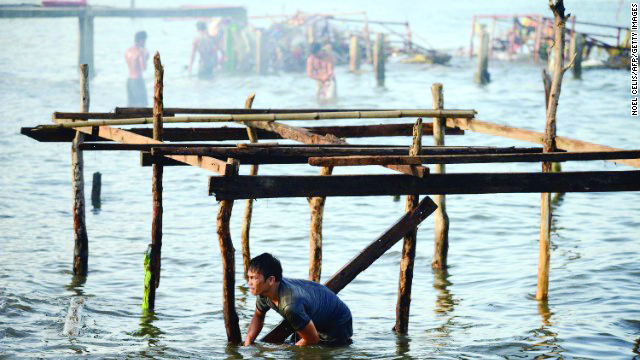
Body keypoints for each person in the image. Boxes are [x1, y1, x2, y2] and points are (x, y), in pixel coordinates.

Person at [244, 253, 353, 347]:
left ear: (271, 280)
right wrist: (248, 344)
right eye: (248, 277)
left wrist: (281, 350)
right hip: (313, 314)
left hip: (337, 322)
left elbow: (313, 339)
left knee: (305, 350)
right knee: (295, 344)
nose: (249, 283)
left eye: (253, 278)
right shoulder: (263, 292)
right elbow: (258, 316)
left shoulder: (290, 306)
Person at [125, 31, 149, 107]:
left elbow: (130, 64)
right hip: (138, 80)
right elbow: (143, 67)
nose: (145, 43)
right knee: (143, 105)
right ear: (141, 40)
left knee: (131, 105)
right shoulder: (140, 52)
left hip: (130, 81)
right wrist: (146, 57)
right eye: (145, 41)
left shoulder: (128, 51)